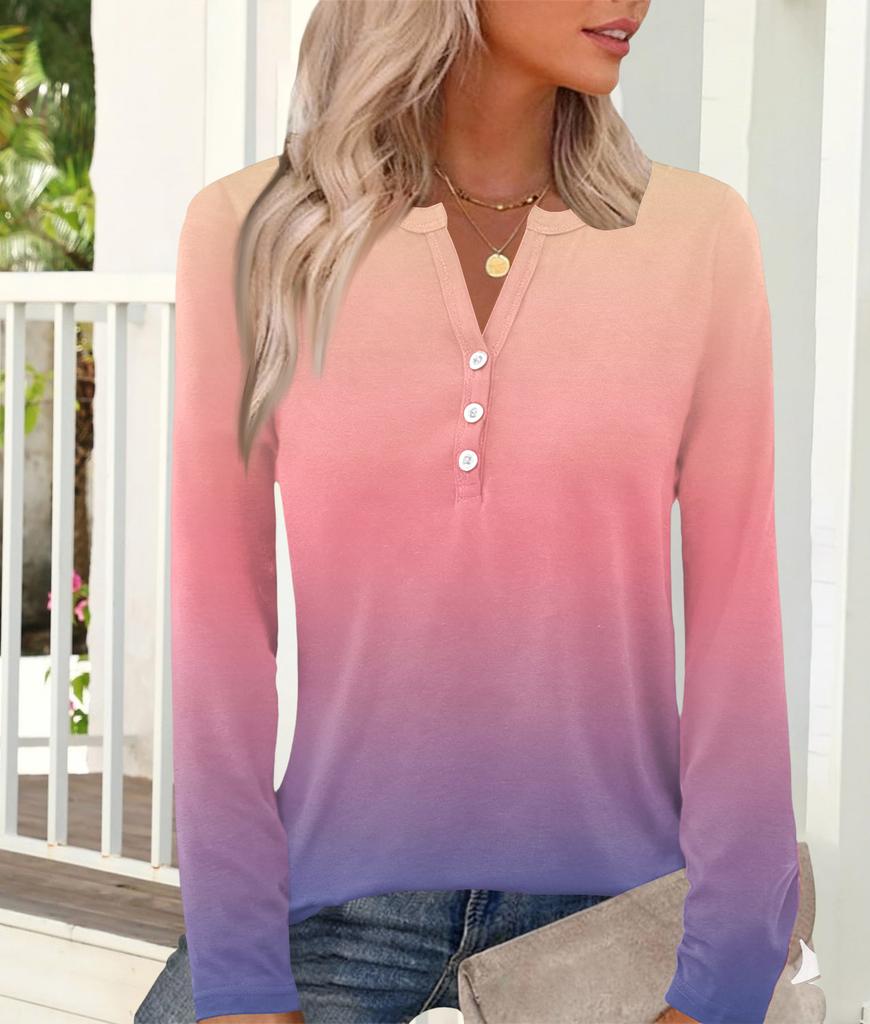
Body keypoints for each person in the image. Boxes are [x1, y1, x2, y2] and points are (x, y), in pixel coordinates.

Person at [134, 1, 801, 1023]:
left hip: (616, 911)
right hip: (333, 905)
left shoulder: (696, 234)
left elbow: (737, 626)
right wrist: (239, 972)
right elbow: (219, 622)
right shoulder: (254, 231)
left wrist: (724, 980)